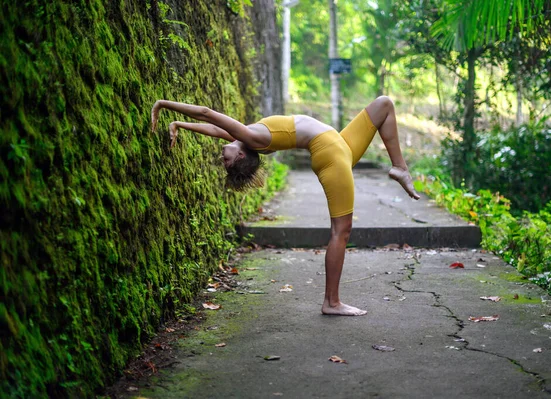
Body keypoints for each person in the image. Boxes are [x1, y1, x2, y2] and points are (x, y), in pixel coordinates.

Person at [151, 96, 420, 316]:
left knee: (384, 104)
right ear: (241, 155)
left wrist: (177, 121)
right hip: (331, 154)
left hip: (341, 143)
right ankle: (332, 302)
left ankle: (399, 167)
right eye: (227, 162)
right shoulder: (253, 138)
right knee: (342, 230)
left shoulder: (249, 137)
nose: (222, 157)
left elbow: (212, 125)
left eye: (225, 161)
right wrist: (164, 105)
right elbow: (207, 112)